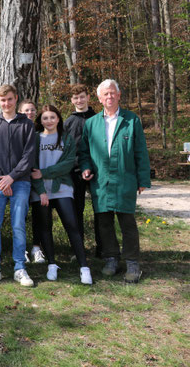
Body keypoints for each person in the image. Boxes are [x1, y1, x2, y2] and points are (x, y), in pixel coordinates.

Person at [78, 79, 150, 283]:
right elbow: (83, 152)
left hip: (125, 179)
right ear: (99, 99)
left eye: (112, 93)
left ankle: (132, 263)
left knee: (127, 222)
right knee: (104, 222)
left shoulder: (131, 120)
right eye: (105, 94)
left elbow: (140, 151)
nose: (109, 97)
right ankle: (111, 259)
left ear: (119, 95)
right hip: (101, 181)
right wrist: (85, 168)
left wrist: (142, 178)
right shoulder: (91, 123)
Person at [0, 84, 36, 287]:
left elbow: (29, 156)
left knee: (18, 224)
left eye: (10, 99)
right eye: (3, 100)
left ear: (16, 99)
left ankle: (19, 268)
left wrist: (11, 177)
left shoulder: (27, 124)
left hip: (20, 182)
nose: (6, 103)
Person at [30, 105, 93, 284]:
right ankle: (52, 264)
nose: (49, 121)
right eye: (45, 118)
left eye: (52, 117)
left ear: (58, 119)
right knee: (45, 228)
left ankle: (84, 267)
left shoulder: (66, 138)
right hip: (40, 191)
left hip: (62, 188)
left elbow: (67, 164)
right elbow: (32, 167)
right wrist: (41, 190)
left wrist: (45, 173)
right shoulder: (35, 139)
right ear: (40, 120)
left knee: (72, 226)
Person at [63, 84, 100, 257]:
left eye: (82, 96)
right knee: (76, 210)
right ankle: (78, 250)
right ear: (72, 100)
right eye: (76, 98)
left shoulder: (98, 118)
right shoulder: (68, 122)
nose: (79, 100)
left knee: (101, 210)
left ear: (88, 97)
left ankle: (103, 248)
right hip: (74, 172)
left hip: (98, 170)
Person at [19, 100, 44, 264]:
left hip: (37, 178)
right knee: (21, 215)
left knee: (38, 214)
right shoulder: (16, 128)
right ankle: (22, 250)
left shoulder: (42, 131)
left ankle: (37, 247)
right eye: (26, 110)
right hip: (20, 178)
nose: (30, 113)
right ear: (20, 112)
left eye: (33, 110)